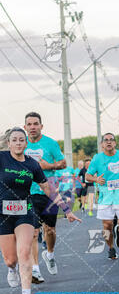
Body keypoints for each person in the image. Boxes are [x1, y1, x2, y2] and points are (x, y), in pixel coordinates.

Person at [0, 128, 81, 294]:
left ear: (26, 143)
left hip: (24, 211)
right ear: (9, 143)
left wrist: (67, 210)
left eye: (22, 140)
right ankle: (12, 270)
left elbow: (48, 189)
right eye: (15, 140)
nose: (19, 143)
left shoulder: (32, 165)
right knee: (10, 260)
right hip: (3, 214)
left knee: (25, 252)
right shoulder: (2, 158)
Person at [24, 112, 66, 282]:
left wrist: (50, 165)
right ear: (25, 127)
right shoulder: (21, 143)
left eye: (36, 124)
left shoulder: (50, 144)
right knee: (33, 231)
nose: (32, 127)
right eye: (29, 124)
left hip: (49, 191)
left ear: (41, 126)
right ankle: (35, 269)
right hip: (28, 192)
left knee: (50, 230)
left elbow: (63, 163)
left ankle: (49, 254)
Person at [85, 133, 119, 259]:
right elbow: (87, 176)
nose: (109, 142)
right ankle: (111, 248)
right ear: (102, 144)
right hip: (105, 196)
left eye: (111, 140)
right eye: (106, 140)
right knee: (107, 225)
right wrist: (96, 179)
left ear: (115, 143)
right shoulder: (97, 159)